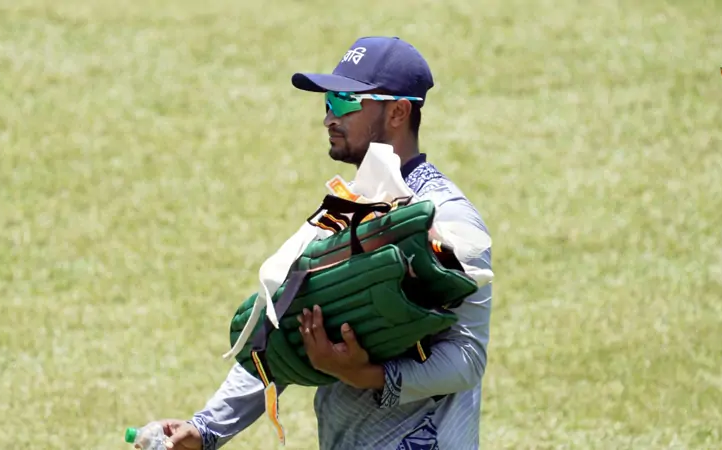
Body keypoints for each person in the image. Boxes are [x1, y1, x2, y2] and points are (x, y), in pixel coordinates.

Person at [141, 36, 494, 450]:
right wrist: (206, 429)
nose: (329, 117)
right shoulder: (346, 207)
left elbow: (467, 360)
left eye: (346, 101)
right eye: (328, 102)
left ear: (398, 111)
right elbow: (281, 329)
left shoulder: (445, 216)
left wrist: (367, 375)